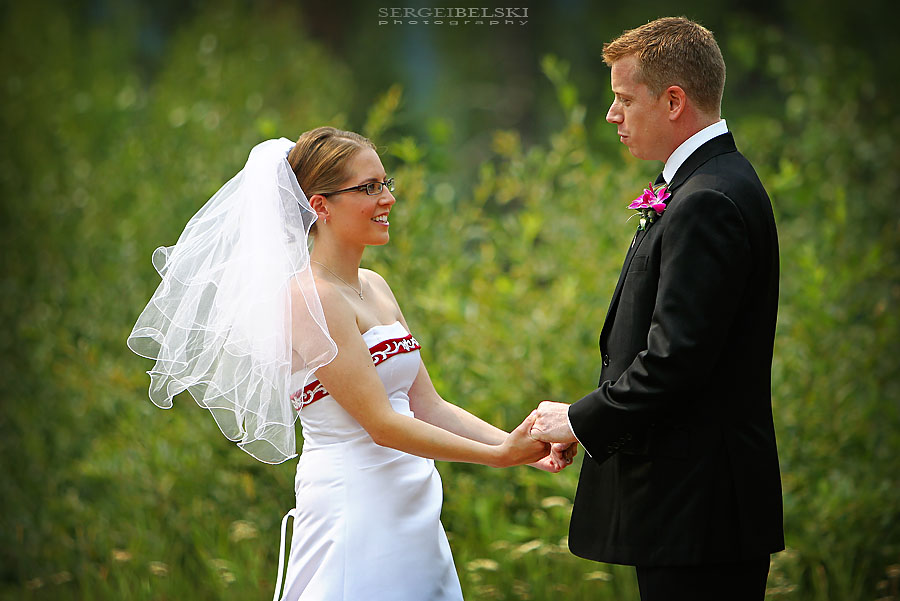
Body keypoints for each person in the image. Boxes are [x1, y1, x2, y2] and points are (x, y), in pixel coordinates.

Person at [128, 127, 567, 601]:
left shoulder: (375, 285)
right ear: (321, 206)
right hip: (355, 505)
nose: (388, 199)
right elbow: (381, 424)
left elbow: (428, 405)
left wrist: (520, 445)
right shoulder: (309, 298)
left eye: (385, 183)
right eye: (369, 187)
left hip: (412, 502)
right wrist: (499, 457)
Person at [528, 17, 784, 601]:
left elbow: (675, 361)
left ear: (673, 101)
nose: (611, 115)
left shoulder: (707, 199)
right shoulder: (709, 183)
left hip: (699, 512)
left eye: (623, 99)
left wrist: (579, 419)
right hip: (693, 512)